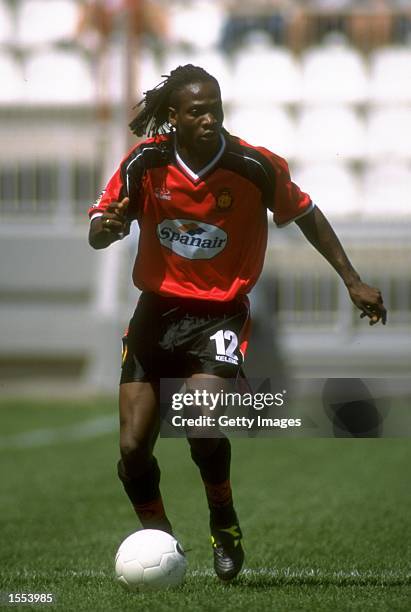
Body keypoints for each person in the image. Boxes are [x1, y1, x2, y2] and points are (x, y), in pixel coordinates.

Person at [88, 64, 386, 581]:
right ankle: (161, 539)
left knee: (200, 424)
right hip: (154, 314)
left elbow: (308, 214)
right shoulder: (145, 163)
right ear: (175, 117)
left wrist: (351, 279)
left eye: (216, 109)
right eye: (197, 111)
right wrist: (106, 230)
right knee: (134, 450)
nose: (209, 119)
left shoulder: (254, 165)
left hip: (218, 315)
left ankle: (223, 521)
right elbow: (102, 223)